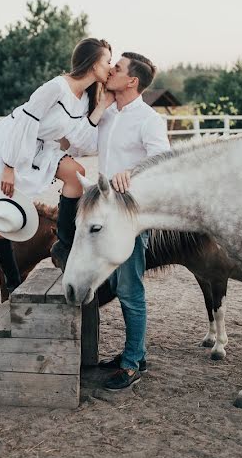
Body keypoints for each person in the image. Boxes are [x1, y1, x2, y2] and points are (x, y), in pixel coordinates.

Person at [67, 52, 170, 390]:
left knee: (129, 289)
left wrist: (132, 171)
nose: (111, 70)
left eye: (118, 68)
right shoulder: (108, 113)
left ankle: (132, 363)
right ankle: (134, 352)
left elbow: (162, 161)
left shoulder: (149, 119)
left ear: (133, 81)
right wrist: (102, 105)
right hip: (101, 213)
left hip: (129, 217)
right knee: (110, 284)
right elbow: (79, 145)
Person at [0, 38, 114, 294]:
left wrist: (104, 105)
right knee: (6, 213)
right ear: (94, 62)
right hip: (10, 144)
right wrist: (9, 165)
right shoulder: (56, 87)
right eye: (107, 61)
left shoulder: (85, 98)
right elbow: (24, 122)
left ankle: (63, 244)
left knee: (77, 175)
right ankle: (12, 279)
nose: (110, 67)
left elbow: (82, 138)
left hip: (42, 147)